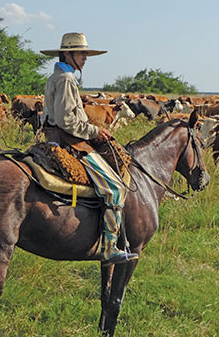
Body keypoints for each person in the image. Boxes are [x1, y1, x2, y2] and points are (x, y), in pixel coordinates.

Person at [40, 32, 138, 265]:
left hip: (63, 136)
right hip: (68, 141)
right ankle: (109, 248)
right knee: (114, 188)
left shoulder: (62, 76)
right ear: (67, 54)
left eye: (85, 53)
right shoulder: (65, 79)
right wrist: (95, 131)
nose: (85, 58)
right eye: (81, 53)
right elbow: (66, 121)